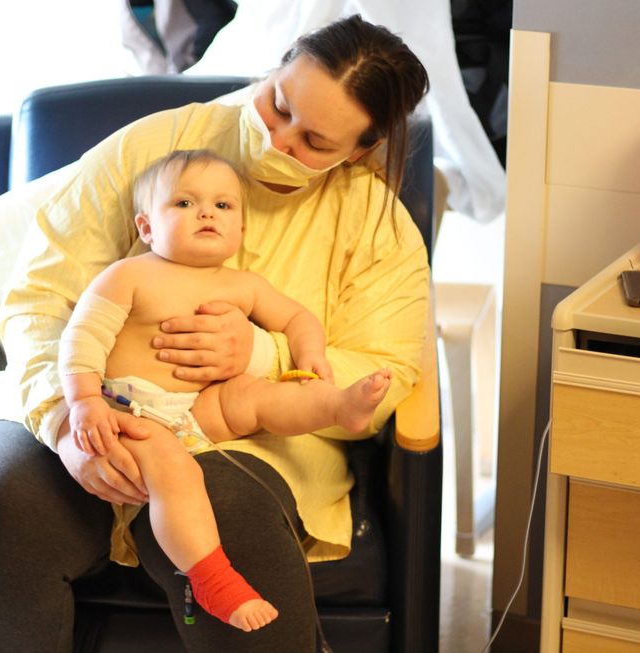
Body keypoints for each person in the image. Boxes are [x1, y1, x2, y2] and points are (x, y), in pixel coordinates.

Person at [0, 13, 430, 653]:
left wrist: (262, 354)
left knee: (232, 522)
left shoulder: (375, 225)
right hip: (87, 397)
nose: (278, 140)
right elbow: (42, 293)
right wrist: (63, 416)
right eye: (278, 105)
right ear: (276, 69)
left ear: (359, 150)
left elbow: (387, 372)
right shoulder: (155, 146)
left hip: (242, 432)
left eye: (314, 141)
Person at [58, 149, 392, 630]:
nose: (206, 214)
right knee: (176, 472)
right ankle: (211, 577)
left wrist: (310, 354)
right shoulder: (128, 275)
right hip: (130, 412)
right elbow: (82, 338)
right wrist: (85, 400)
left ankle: (339, 406)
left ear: (241, 229)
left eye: (222, 205)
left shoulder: (244, 285)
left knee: (254, 395)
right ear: (147, 227)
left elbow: (297, 318)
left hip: (198, 410)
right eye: (184, 203)